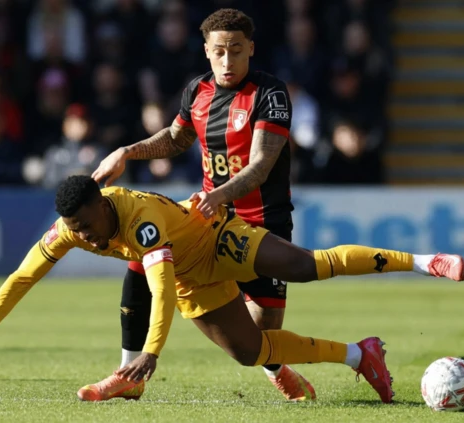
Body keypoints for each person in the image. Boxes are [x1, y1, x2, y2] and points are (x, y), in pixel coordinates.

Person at [0, 176, 464, 405]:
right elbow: (23, 275)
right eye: (71, 226)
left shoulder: (140, 218)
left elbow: (160, 283)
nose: (81, 235)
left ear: (102, 204)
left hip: (217, 241)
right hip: (195, 282)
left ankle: (426, 261)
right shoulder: (72, 230)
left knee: (306, 265)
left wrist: (151, 351)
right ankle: (360, 355)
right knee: (251, 353)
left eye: (84, 222)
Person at [89, 8, 314, 402]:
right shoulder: (197, 90)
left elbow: (261, 166)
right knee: (145, 255)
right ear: (207, 51)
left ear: (251, 50)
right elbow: (176, 139)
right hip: (209, 221)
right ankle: (129, 372)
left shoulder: (271, 93)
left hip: (263, 222)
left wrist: (220, 193)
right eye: (220, 52)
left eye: (237, 51)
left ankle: (282, 367)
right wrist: (127, 151)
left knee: (259, 340)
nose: (228, 61)